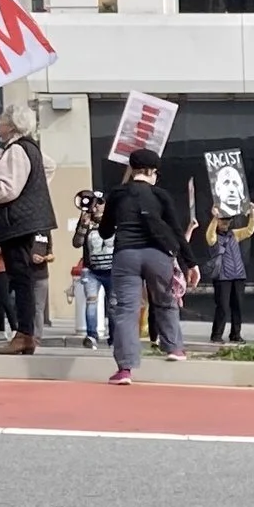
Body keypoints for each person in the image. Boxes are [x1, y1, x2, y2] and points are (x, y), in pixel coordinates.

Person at [101, 149, 191, 382]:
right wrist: (191, 262)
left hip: (126, 255)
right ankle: (174, 348)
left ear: (132, 170)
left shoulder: (118, 194)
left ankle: (125, 369)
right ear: (151, 171)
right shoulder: (160, 195)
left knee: (126, 310)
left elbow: (105, 231)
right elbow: (176, 231)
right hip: (157, 255)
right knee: (165, 301)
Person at [0, 104, 54, 356]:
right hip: (26, 221)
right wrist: (35, 191)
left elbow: (7, 189)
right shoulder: (31, 147)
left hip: (15, 224)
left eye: (1, 121)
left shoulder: (16, 150)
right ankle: (26, 334)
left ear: (12, 125)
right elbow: (49, 167)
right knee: (23, 278)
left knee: (21, 279)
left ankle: (24, 334)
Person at [70, 191, 112, 347]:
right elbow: (77, 243)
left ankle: (114, 337)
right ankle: (91, 336)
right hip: (91, 270)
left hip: (111, 270)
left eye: (100, 202)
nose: (96, 206)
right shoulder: (87, 221)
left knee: (113, 305)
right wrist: (83, 224)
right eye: (95, 202)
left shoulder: (112, 220)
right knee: (91, 302)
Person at [208, 207, 252, 343]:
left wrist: (252, 215)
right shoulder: (214, 236)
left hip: (238, 275)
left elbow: (249, 231)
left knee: (237, 306)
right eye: (223, 220)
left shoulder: (234, 234)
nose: (225, 223)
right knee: (222, 306)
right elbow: (210, 236)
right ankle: (216, 335)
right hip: (222, 276)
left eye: (227, 220)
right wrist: (215, 218)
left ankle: (235, 334)